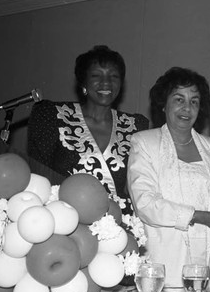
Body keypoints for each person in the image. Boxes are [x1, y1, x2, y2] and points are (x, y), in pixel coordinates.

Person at [127, 67, 210, 292]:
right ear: (163, 104)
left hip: (206, 268)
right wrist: (200, 216)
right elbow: (146, 204)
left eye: (194, 101)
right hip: (162, 269)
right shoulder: (144, 143)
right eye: (179, 99)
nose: (187, 108)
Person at [27, 45, 149, 215]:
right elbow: (38, 174)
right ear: (83, 82)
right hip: (61, 221)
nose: (106, 82)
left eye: (114, 76)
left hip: (117, 227)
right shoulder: (52, 115)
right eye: (96, 75)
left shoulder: (135, 125)